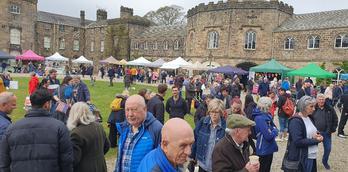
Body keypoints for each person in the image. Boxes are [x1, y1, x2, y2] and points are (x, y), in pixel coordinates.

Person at [0, 89, 73, 172]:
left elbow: (4, 161)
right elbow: (66, 160)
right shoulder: (60, 127)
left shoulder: (11, 128)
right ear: (46, 104)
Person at [114, 95, 163, 172]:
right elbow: (120, 159)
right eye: (127, 110)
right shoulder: (124, 128)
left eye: (134, 110)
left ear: (145, 109)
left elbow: (163, 162)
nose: (130, 114)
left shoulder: (156, 129)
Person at [283, 96, 323, 172]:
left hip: (311, 154)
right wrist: (315, 140)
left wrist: (317, 134)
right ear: (303, 106)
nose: (314, 109)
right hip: (301, 157)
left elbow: (310, 131)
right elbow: (298, 141)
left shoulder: (309, 117)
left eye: (314, 106)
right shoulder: (295, 121)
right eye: (311, 106)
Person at [67, 102, 110, 172]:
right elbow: (107, 146)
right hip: (101, 167)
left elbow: (74, 159)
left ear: (73, 115)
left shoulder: (76, 133)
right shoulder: (98, 126)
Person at [190, 99, 226, 172]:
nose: (213, 114)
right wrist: (192, 157)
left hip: (217, 167)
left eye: (216, 112)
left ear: (221, 113)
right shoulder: (203, 122)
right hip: (202, 165)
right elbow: (195, 139)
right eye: (212, 112)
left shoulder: (225, 127)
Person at [312, 93, 338, 170]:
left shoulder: (330, 108)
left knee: (328, 149)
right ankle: (312, 163)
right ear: (317, 100)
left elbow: (335, 119)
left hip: (327, 133)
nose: (321, 101)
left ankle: (324, 161)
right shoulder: (313, 108)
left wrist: (333, 129)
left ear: (325, 99)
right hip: (316, 133)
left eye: (322, 99)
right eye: (319, 99)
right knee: (312, 149)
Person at [252, 97, 278, 172]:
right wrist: (274, 131)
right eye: (270, 106)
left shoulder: (265, 116)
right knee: (264, 169)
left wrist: (273, 130)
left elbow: (274, 127)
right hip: (264, 148)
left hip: (267, 147)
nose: (271, 107)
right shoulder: (260, 118)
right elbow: (268, 136)